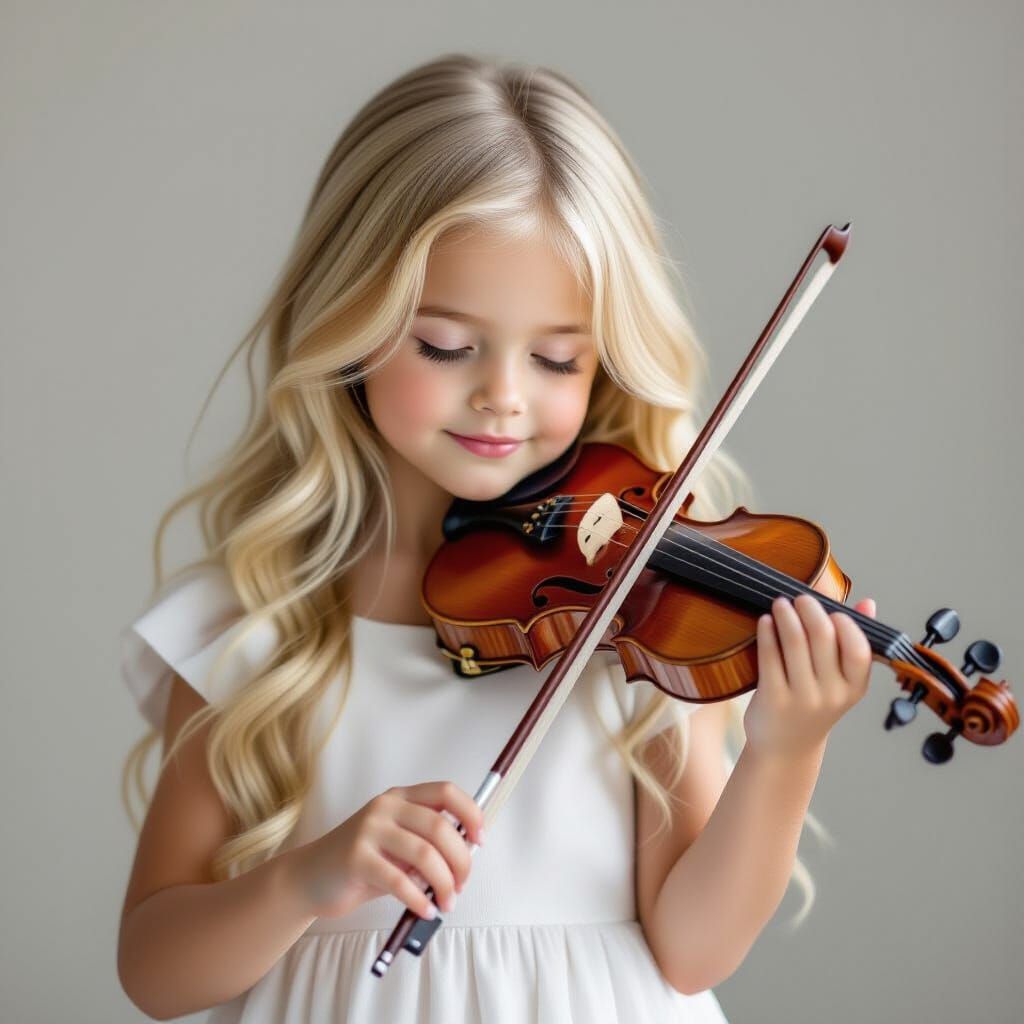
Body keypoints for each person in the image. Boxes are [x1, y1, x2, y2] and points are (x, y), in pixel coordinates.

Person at [117, 53, 876, 1023]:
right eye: (444, 345)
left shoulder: (634, 607)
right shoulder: (258, 620)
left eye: (558, 357)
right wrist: (307, 877)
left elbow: (692, 950)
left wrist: (786, 748)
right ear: (350, 317)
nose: (504, 395)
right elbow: (154, 970)